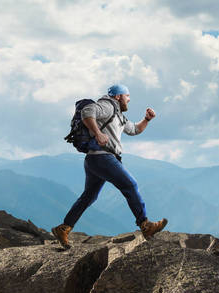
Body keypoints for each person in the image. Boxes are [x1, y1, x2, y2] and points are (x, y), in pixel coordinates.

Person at [52, 84, 167, 249]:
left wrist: (147, 119)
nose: (129, 99)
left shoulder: (118, 114)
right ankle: (145, 225)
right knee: (130, 185)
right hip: (103, 157)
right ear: (118, 96)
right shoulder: (107, 106)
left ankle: (63, 228)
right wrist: (98, 133)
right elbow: (87, 112)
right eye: (127, 96)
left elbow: (134, 129)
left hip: (94, 160)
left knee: (89, 196)